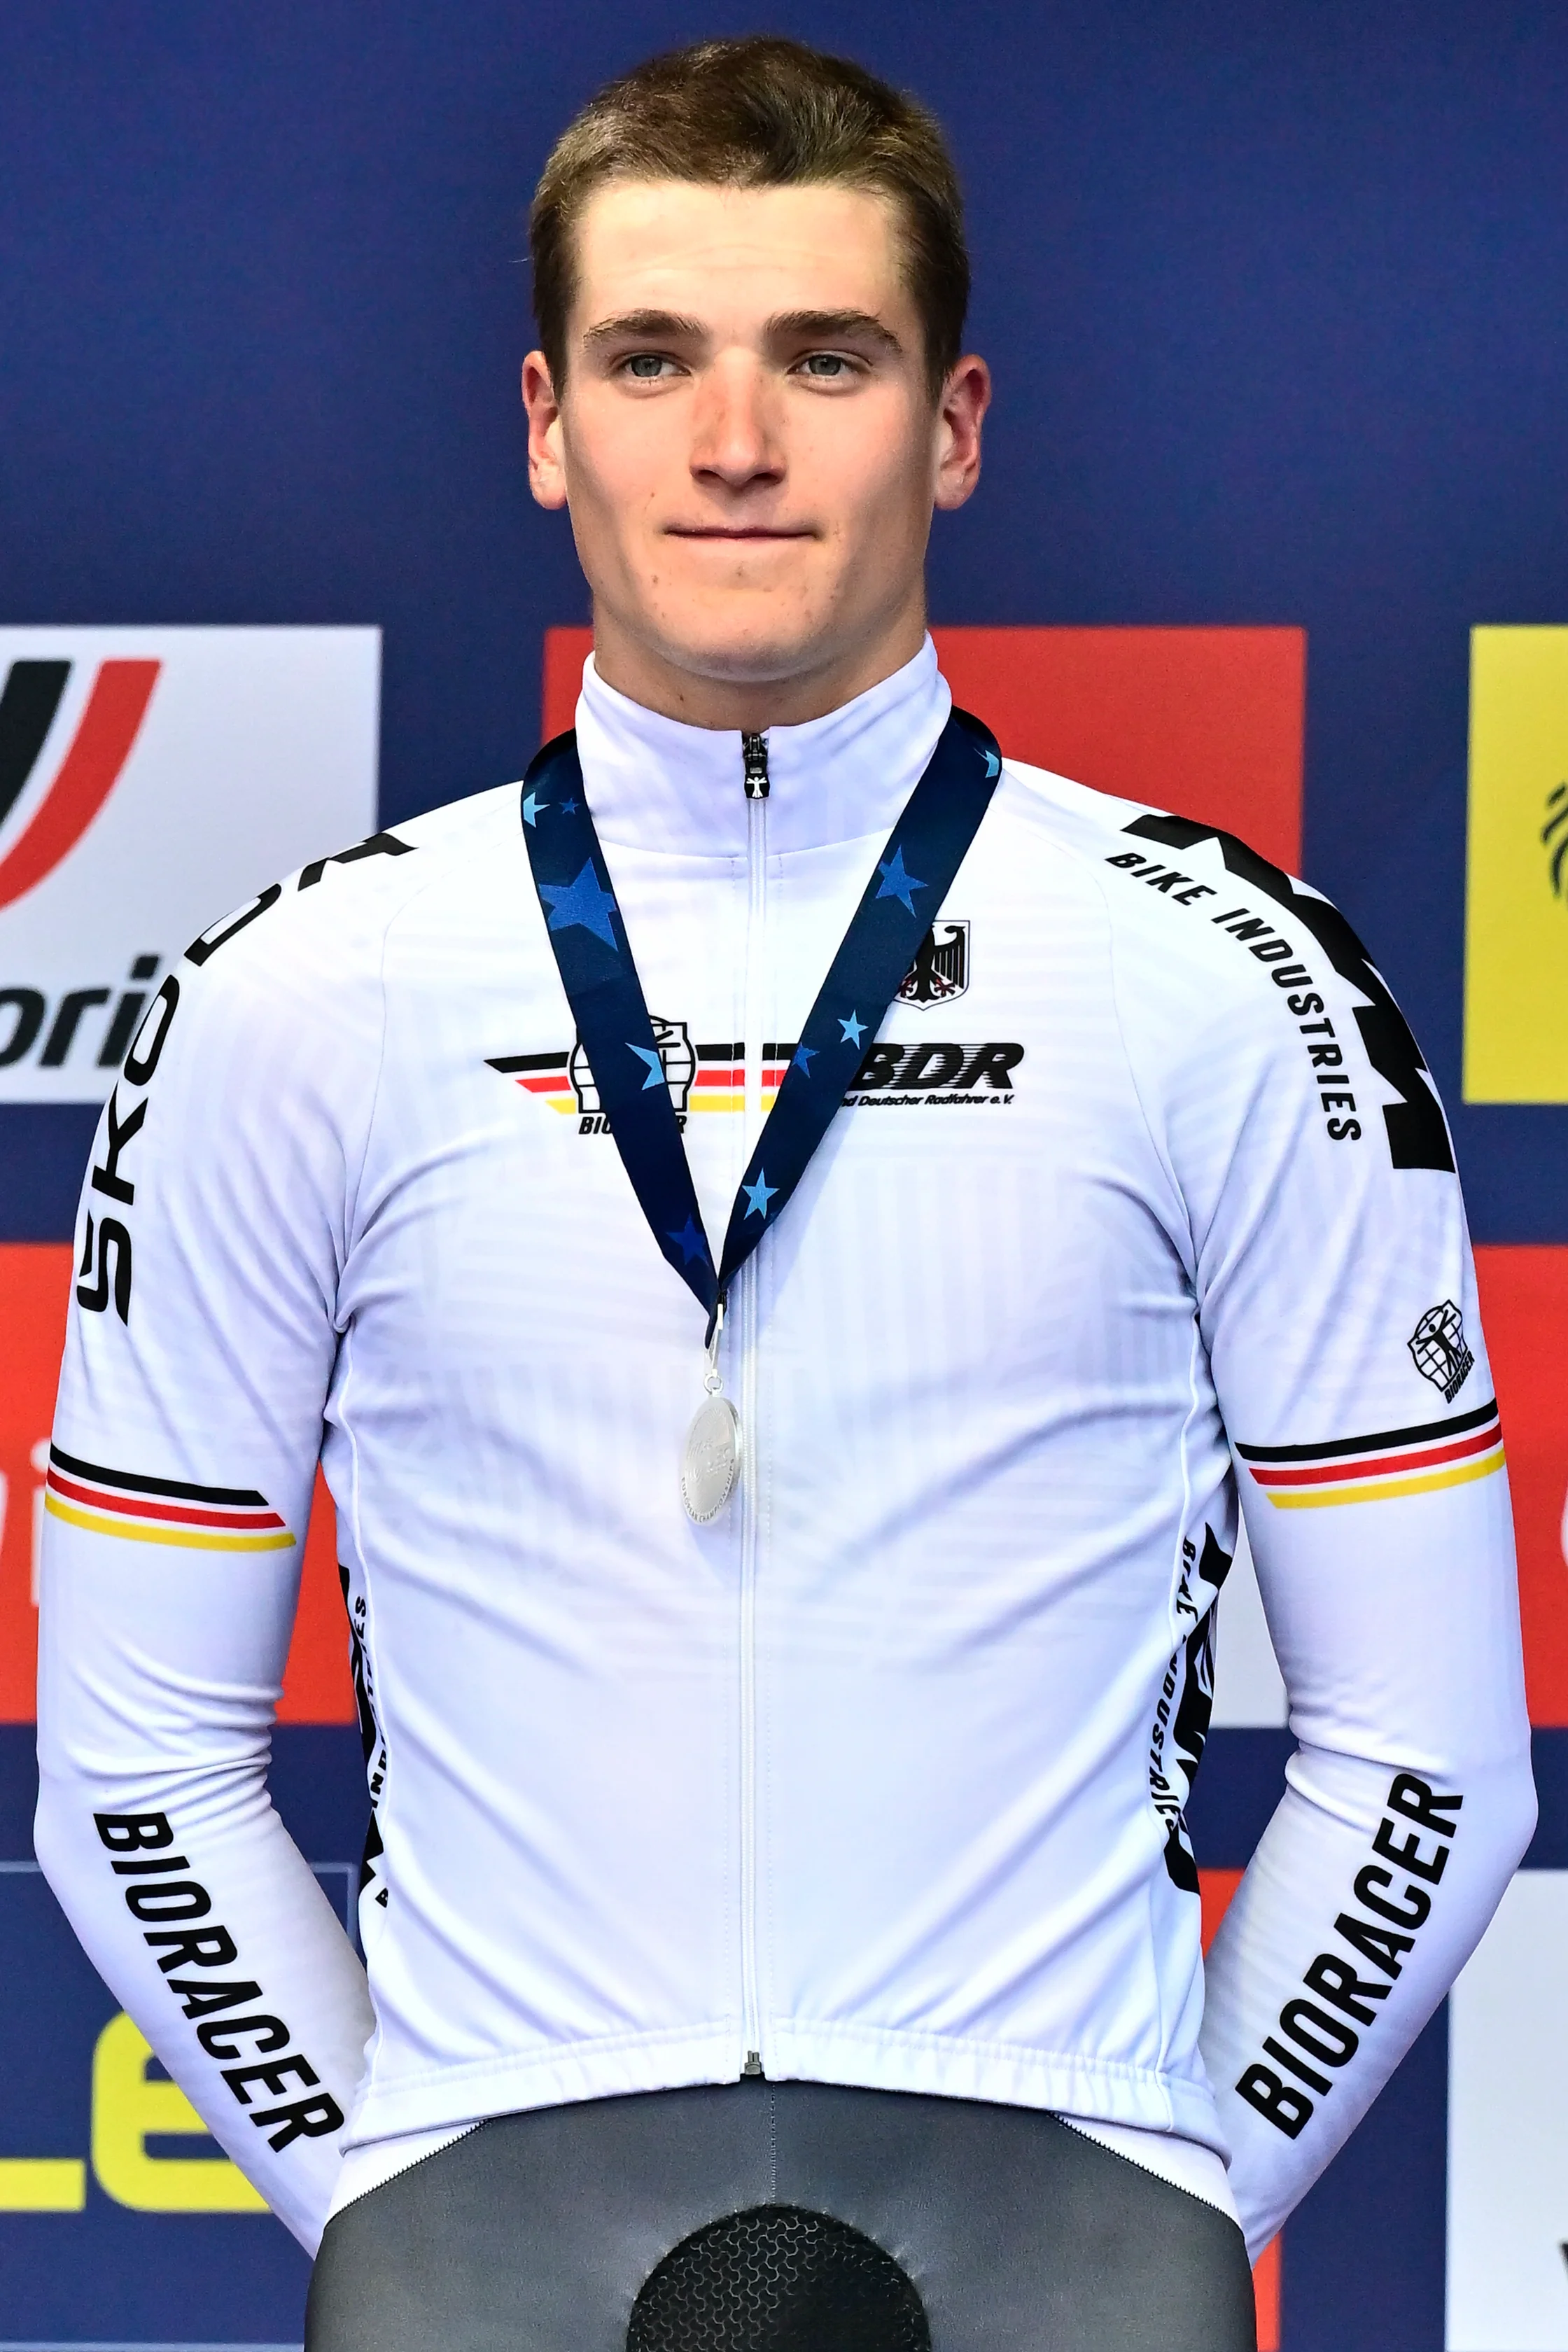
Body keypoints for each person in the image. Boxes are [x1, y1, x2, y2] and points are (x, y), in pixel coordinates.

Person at [36, 36, 1533, 2352]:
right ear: (549, 422)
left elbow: (1425, 1748)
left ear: (952, 423)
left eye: (823, 358)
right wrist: (394, 2187)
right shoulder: (290, 998)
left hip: (1066, 2222)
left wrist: (1162, 2180)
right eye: (656, 357)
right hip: (486, 2230)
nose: (735, 442)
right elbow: (134, 1763)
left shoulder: (1228, 976)